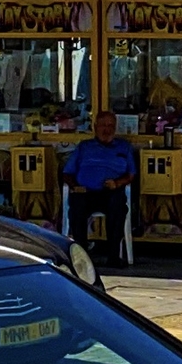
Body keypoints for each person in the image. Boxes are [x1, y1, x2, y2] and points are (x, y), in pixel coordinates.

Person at [61, 108, 138, 266]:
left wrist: (117, 183)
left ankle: (113, 256)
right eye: (103, 125)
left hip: (110, 192)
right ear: (95, 127)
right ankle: (81, 257)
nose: (106, 129)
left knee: (118, 206)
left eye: (110, 125)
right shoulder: (84, 147)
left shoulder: (124, 147)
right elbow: (67, 173)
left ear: (115, 128)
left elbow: (131, 175)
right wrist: (75, 186)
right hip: (85, 192)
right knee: (77, 207)